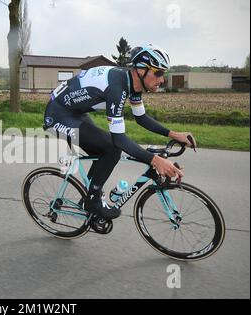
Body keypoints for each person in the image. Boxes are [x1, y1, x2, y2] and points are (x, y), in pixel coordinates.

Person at [43, 45, 196, 220]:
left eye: (164, 74)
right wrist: (156, 160)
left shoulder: (132, 83)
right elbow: (119, 140)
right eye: (159, 73)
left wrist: (174, 134)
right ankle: (92, 201)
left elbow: (141, 118)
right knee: (112, 148)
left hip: (74, 113)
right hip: (58, 115)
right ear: (141, 70)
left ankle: (91, 196)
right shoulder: (117, 87)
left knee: (105, 151)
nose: (162, 80)